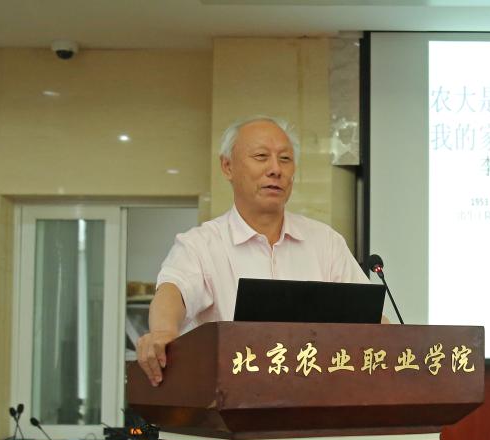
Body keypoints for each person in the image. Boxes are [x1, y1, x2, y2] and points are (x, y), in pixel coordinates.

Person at [136, 116, 371, 387]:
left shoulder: (325, 242)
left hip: (319, 397)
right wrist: (163, 331)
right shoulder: (201, 244)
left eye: (285, 159)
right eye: (261, 157)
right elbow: (173, 291)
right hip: (233, 397)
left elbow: (367, 315)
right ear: (227, 167)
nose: (275, 169)